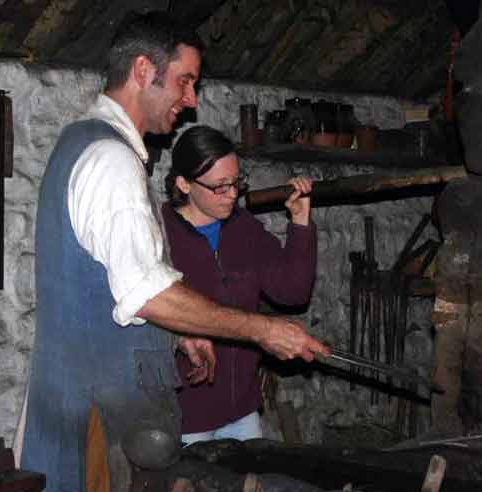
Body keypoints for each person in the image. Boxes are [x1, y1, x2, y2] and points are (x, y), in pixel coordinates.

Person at [20, 11, 327, 492]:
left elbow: (116, 287)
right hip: (96, 424)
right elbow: (147, 295)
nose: (192, 99)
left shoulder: (82, 143)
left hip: (84, 405)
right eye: (184, 81)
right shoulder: (111, 161)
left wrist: (176, 337)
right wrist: (262, 329)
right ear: (144, 70)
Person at [162, 125, 317, 445]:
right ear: (184, 184)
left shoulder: (243, 229)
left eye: (236, 182)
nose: (233, 194)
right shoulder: (160, 236)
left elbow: (293, 292)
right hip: (185, 417)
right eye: (220, 186)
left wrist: (300, 223)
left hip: (243, 411)